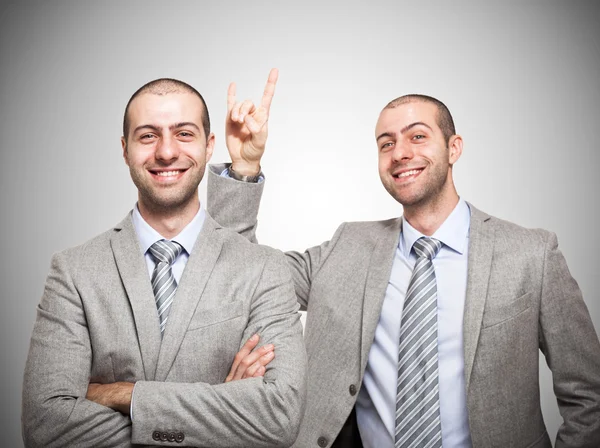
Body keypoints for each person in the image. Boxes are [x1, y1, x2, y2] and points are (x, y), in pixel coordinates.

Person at [208, 82, 600, 447]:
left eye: (417, 136)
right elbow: (242, 270)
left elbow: (588, 394)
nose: (400, 153)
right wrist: (244, 167)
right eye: (386, 143)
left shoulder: (531, 253)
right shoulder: (348, 246)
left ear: (454, 148)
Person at [22, 73, 307, 447]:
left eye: (184, 133)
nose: (166, 152)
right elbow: (45, 426)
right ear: (125, 149)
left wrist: (123, 394)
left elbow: (279, 418)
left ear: (209, 146)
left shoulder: (264, 270)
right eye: (148, 135)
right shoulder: (73, 272)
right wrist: (220, 411)